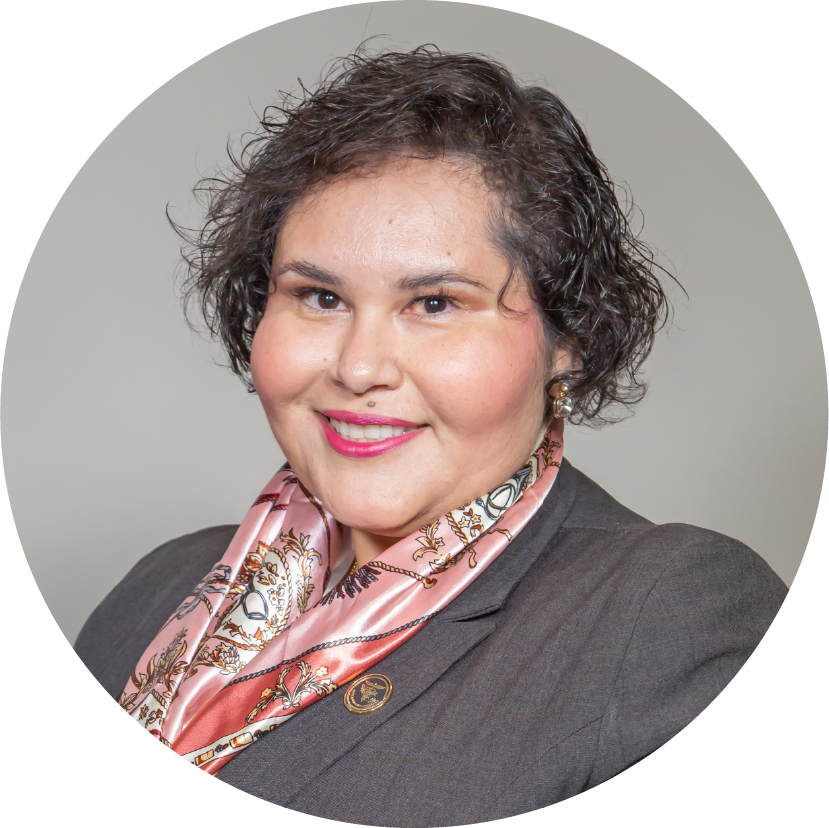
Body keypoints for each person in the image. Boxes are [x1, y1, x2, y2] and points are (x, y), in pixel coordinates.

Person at [74, 46, 786, 826]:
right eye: (318, 297)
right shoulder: (161, 586)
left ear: (569, 336)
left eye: (436, 304)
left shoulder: (663, 612)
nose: (358, 367)